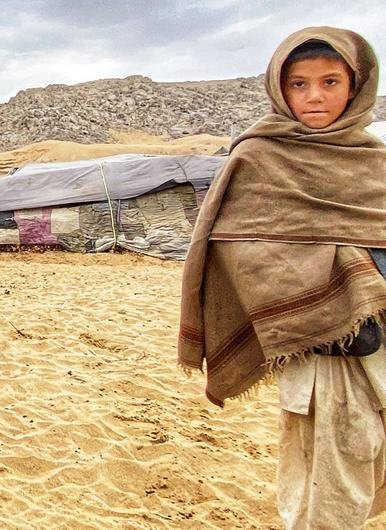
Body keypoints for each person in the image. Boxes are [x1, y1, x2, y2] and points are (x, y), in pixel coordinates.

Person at [178, 27, 386, 529]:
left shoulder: (375, 160)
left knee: (372, 468)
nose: (314, 96)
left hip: (383, 345)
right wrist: (342, 279)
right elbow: (234, 249)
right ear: (279, 87)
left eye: (330, 81)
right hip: (319, 349)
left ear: (357, 86)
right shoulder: (258, 158)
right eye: (298, 83)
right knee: (329, 483)